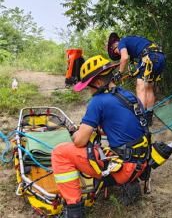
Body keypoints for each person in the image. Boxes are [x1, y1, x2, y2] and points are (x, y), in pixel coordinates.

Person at [52, 55, 151, 218]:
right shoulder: (130, 96)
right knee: (113, 146)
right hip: (141, 164)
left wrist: (77, 133)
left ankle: (73, 211)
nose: (89, 91)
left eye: (89, 87)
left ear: (98, 83)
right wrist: (97, 130)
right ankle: (130, 185)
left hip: (124, 168)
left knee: (60, 152)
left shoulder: (98, 101)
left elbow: (80, 141)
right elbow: (127, 128)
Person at [106, 33, 165, 126]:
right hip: (159, 56)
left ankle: (140, 118)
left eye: (117, 52)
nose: (119, 53)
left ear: (116, 45)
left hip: (148, 57)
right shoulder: (134, 41)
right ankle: (148, 118)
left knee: (140, 89)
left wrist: (119, 73)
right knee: (149, 88)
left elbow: (124, 58)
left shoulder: (121, 42)